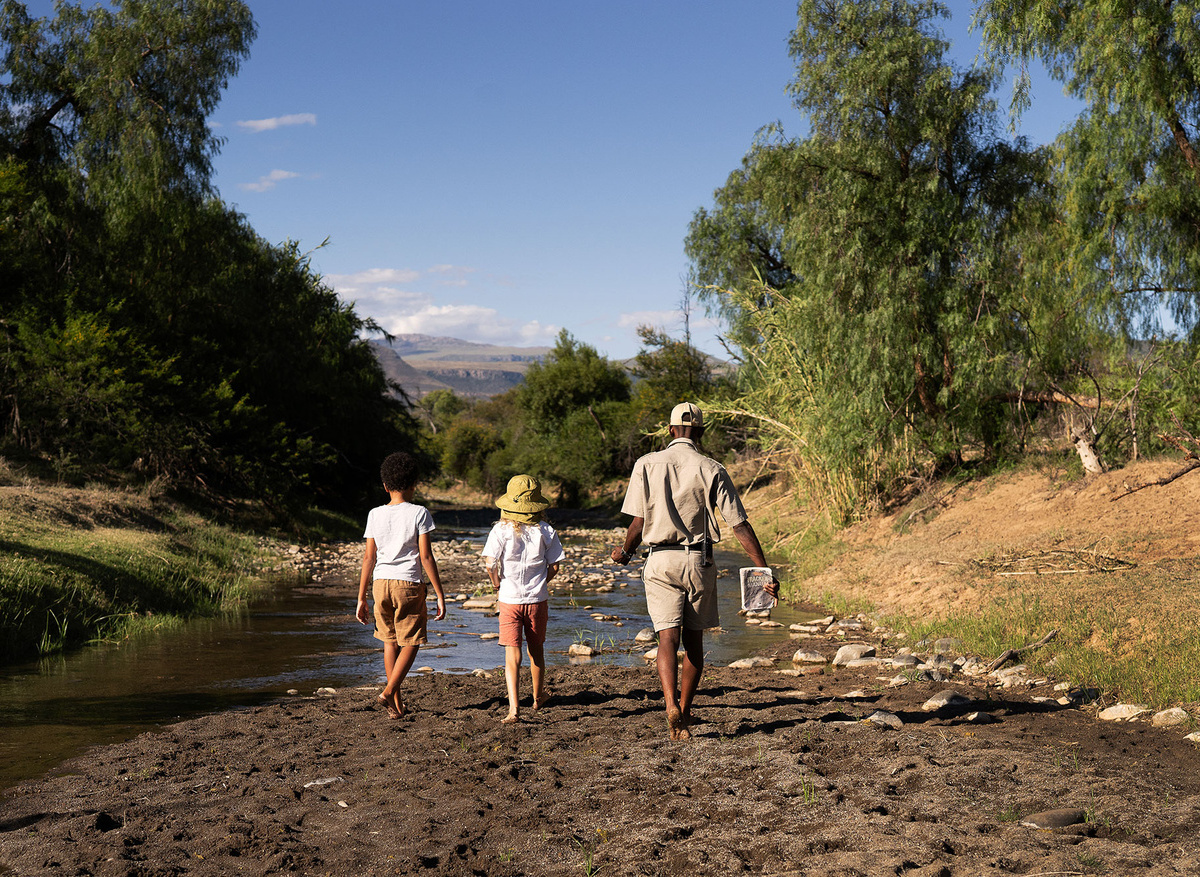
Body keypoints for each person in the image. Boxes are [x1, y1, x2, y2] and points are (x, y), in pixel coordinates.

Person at [611, 402, 778, 740]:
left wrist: (625, 553)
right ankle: (684, 714)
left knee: (666, 638)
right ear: (700, 432)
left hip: (659, 560)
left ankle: (669, 703)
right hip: (698, 560)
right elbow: (739, 525)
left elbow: (638, 523)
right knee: (694, 644)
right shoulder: (712, 468)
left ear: (670, 430)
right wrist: (764, 570)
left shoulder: (646, 464)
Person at [356, 451, 447, 720]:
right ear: (413, 484)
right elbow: (426, 556)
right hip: (408, 583)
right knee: (413, 641)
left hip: (380, 583)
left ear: (385, 485)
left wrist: (361, 596)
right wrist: (440, 595)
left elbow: (369, 557)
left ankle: (396, 708)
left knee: (389, 640)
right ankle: (388, 692)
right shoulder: (420, 513)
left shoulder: (374, 514)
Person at [482, 474, 564, 724]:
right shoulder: (546, 530)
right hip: (537, 599)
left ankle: (514, 709)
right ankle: (538, 698)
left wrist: (496, 583)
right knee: (536, 650)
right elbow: (556, 566)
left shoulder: (501, 530)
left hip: (509, 599)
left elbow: (490, 564)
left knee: (512, 653)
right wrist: (541, 582)